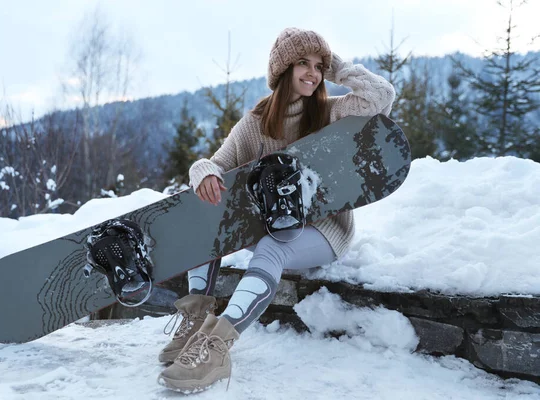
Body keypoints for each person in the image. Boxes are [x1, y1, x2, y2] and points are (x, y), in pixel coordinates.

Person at [157, 27, 396, 393]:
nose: (312, 73)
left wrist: (336, 68)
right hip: (267, 224)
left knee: (272, 248)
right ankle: (194, 322)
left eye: (319, 66)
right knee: (208, 220)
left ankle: (217, 347)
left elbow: (382, 95)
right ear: (282, 70)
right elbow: (217, 164)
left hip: (323, 231)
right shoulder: (254, 124)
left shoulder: (333, 113)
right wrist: (201, 170)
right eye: (303, 63)